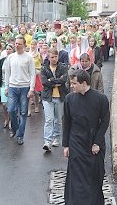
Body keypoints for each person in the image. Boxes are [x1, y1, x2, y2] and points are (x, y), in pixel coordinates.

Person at [63, 69, 110, 205]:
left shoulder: (101, 98)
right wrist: (66, 145)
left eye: (74, 83)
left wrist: (97, 143)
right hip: (76, 142)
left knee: (94, 178)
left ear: (84, 83)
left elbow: (105, 121)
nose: (72, 86)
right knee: (76, 179)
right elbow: (66, 122)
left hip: (93, 143)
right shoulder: (69, 99)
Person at [5, 35, 35, 145]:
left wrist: (31, 89)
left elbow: (32, 74)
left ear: (24, 45)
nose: (17, 46)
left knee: (23, 112)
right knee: (11, 110)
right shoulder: (11, 57)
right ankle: (15, 127)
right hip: (13, 87)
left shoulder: (29, 57)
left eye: (19, 44)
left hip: (24, 87)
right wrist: (7, 87)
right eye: (16, 44)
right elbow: (7, 73)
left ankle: (20, 135)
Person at [41, 48, 68, 152]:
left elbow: (64, 79)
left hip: (60, 96)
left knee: (58, 119)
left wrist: (50, 80)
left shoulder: (63, 67)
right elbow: (44, 82)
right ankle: (47, 141)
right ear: (48, 57)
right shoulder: (44, 68)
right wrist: (55, 81)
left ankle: (56, 138)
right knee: (49, 119)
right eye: (52, 57)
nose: (54, 59)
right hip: (47, 97)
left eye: (55, 57)